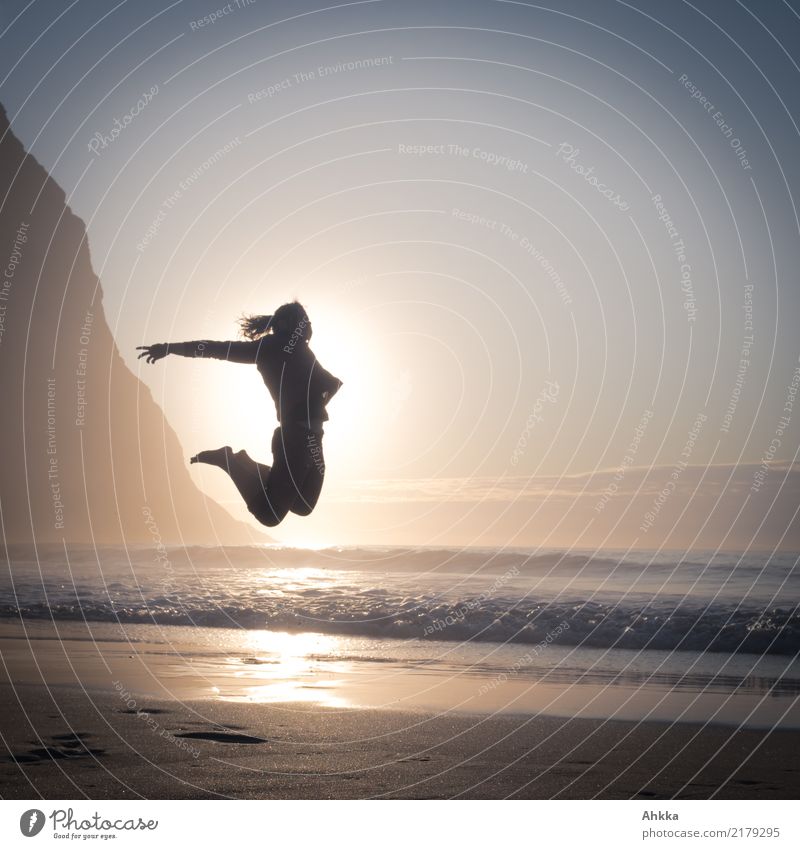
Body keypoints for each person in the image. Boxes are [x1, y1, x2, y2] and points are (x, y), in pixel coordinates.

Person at [137, 301, 342, 527]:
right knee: (269, 515)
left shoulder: (304, 352)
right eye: (304, 320)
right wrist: (169, 348)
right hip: (294, 438)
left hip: (314, 438)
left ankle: (245, 463)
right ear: (288, 324)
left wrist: (319, 399)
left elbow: (332, 383)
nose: (308, 325)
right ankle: (229, 461)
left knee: (303, 505)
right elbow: (218, 349)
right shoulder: (270, 347)